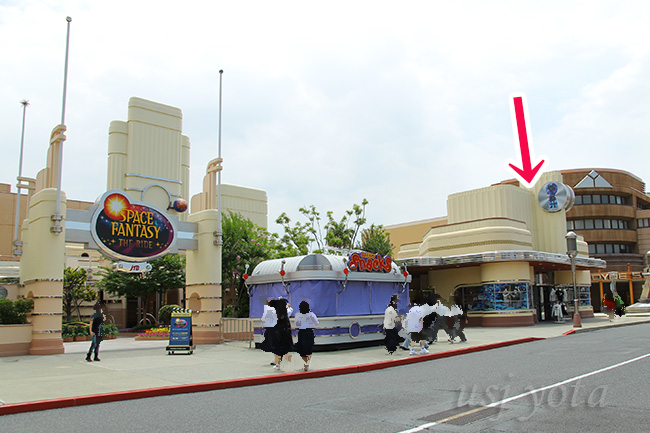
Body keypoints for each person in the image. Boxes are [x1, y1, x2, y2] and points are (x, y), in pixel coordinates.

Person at [294, 301, 319, 371]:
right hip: (309, 332)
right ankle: (307, 364)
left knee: (302, 348)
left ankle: (304, 363)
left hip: (301, 333)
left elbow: (297, 325)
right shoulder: (311, 314)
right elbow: (317, 323)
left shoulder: (298, 315)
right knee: (309, 348)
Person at [270, 298, 293, 370]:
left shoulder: (277, 313)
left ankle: (278, 363)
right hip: (285, 332)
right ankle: (285, 363)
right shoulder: (285, 313)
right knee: (286, 348)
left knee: (278, 349)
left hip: (279, 333)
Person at [260, 298, 278, 365]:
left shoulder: (267, 310)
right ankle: (277, 360)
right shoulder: (275, 310)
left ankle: (276, 360)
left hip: (269, 328)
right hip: (275, 328)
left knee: (273, 345)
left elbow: (263, 319)